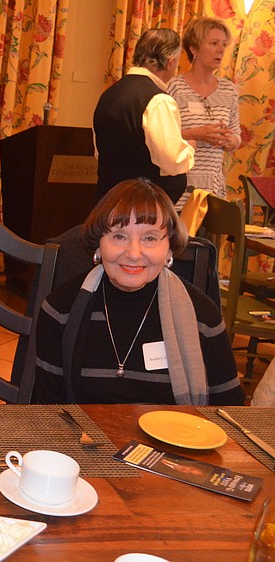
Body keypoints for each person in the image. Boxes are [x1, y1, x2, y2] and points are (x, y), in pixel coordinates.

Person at [32, 178, 243, 405]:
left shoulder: (202, 316)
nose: (134, 253)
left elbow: (228, 413)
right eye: (119, 236)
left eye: (150, 238)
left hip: (178, 439)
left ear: (169, 247)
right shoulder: (60, 310)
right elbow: (47, 411)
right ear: (98, 244)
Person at [93, 28, 195, 204]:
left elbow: (99, 152)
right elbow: (172, 161)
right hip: (144, 208)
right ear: (170, 62)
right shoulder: (159, 100)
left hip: (110, 201)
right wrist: (189, 149)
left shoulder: (108, 95)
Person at [167, 17, 241, 203]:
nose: (221, 50)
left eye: (224, 44)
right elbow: (163, 137)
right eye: (214, 43)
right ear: (194, 49)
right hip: (180, 189)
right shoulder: (174, 87)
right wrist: (196, 134)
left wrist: (230, 140)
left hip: (213, 191)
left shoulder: (229, 90)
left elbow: (236, 137)